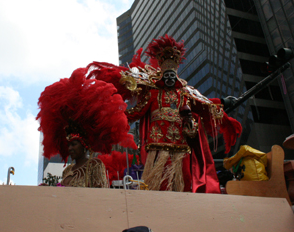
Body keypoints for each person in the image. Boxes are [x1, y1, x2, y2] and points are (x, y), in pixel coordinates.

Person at [87, 35, 242, 193]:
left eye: (171, 76)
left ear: (175, 76)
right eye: (166, 76)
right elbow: (137, 111)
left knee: (185, 177)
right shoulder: (153, 93)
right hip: (159, 143)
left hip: (181, 143)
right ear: (162, 76)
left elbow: (204, 103)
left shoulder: (185, 93)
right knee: (160, 180)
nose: (169, 79)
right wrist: (114, 115)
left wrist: (223, 102)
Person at [36, 67, 136, 188]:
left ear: (84, 145)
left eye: (73, 144)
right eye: (68, 145)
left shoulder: (95, 165)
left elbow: (101, 194)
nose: (70, 148)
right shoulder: (67, 171)